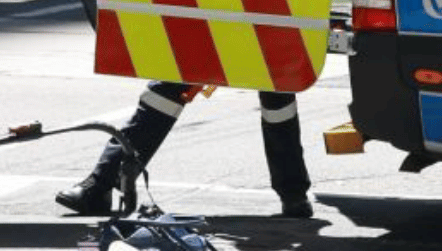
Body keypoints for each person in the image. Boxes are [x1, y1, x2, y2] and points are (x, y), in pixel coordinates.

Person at [55, 82, 314, 218]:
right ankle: (100, 183)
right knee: (166, 90)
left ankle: (293, 194)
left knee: (278, 99)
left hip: (267, 5)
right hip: (212, 0)